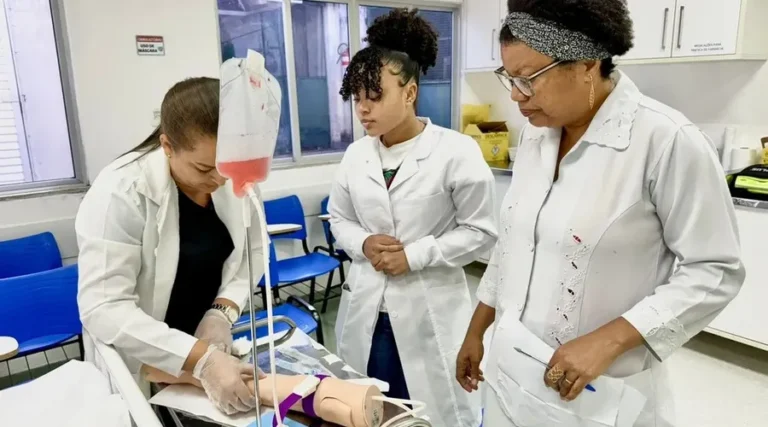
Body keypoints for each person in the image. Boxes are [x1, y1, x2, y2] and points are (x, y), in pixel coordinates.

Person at [456, 1, 745, 426]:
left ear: (587, 64)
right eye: (510, 78)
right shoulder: (536, 136)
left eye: (529, 79)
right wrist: (478, 328)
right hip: (512, 371)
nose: (516, 95)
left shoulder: (665, 142)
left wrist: (609, 341)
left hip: (601, 394)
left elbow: (716, 270)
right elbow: (515, 243)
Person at [328, 8, 497, 427]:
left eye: (375, 96)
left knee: (428, 412)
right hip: (367, 308)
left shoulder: (456, 152)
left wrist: (415, 255)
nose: (363, 109)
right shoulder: (356, 155)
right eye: (357, 98)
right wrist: (363, 243)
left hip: (429, 309)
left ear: (410, 92)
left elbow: (481, 232)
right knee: (370, 409)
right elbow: (339, 218)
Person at [76, 77, 266, 416]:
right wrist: (201, 360)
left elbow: (252, 253)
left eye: (228, 167)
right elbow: (104, 307)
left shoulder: (233, 177)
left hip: (209, 343)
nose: (220, 180)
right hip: (142, 353)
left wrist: (220, 313)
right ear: (167, 145)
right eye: (204, 168)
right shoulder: (120, 192)